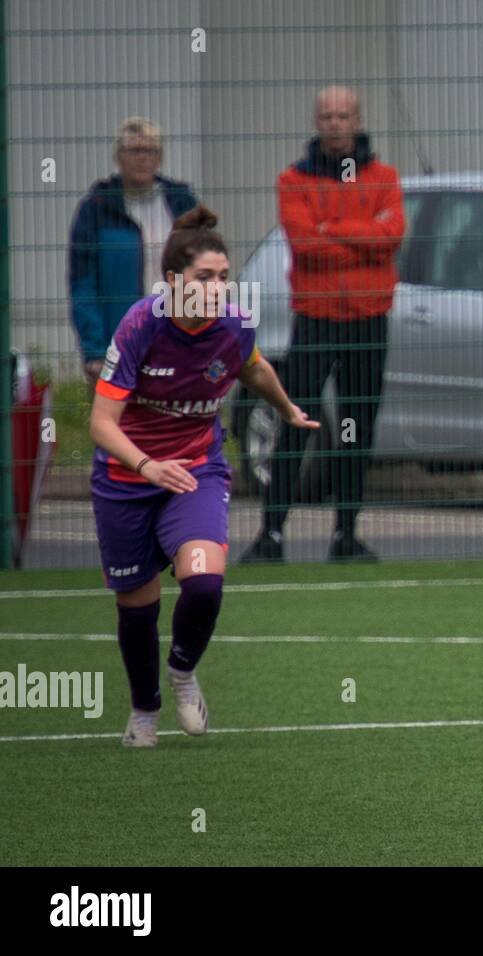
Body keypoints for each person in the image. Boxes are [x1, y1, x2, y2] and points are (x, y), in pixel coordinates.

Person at [89, 205, 318, 747]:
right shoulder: (141, 325)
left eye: (223, 277)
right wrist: (146, 465)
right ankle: (145, 710)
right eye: (203, 279)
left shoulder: (234, 325)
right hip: (127, 481)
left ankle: (184, 672)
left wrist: (286, 410)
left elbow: (254, 366)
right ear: (173, 282)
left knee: (205, 583)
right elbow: (100, 423)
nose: (217, 288)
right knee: (138, 607)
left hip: (195, 472)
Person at [240, 85, 405, 563]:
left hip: (368, 320)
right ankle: (271, 534)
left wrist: (332, 230)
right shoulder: (294, 180)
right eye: (327, 116)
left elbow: (391, 235)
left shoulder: (384, 176)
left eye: (343, 115)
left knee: (356, 427)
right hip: (315, 319)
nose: (335, 123)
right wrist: (360, 237)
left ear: (357, 120)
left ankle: (346, 534)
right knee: (297, 421)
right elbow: (305, 245)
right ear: (317, 122)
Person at [69, 117, 199, 389]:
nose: (142, 158)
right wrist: (94, 350)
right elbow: (83, 285)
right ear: (118, 157)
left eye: (149, 151)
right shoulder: (97, 208)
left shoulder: (181, 202)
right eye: (133, 150)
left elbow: (203, 271)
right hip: (122, 337)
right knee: (120, 425)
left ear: (160, 157)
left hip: (178, 333)